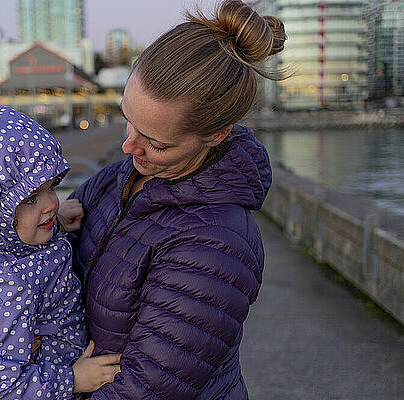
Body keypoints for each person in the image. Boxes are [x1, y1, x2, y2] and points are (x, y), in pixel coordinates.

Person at [60, 1, 287, 398]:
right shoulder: (117, 180)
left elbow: (145, 389)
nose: (129, 146)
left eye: (157, 143)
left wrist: (46, 385)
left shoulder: (216, 244)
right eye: (128, 118)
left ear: (216, 135)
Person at [0, 106, 120, 400]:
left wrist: (54, 221)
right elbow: (0, 387)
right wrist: (72, 380)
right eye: (31, 197)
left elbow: (13, 229)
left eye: (51, 187)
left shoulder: (2, 235)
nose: (50, 202)